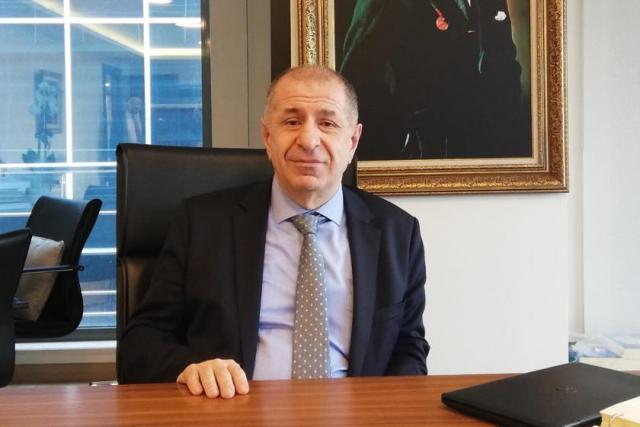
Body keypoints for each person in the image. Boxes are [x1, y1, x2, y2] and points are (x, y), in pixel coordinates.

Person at [118, 65, 429, 398]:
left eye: (327, 123)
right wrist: (189, 369)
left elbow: (408, 347)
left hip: (356, 413)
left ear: (352, 141)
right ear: (268, 137)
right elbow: (140, 343)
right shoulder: (202, 224)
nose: (308, 141)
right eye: (292, 122)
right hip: (233, 411)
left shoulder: (398, 233)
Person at [340, 0, 530, 160]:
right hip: (422, 152)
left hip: (486, 149)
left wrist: (505, 125)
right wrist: (398, 137)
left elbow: (506, 63)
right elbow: (357, 72)